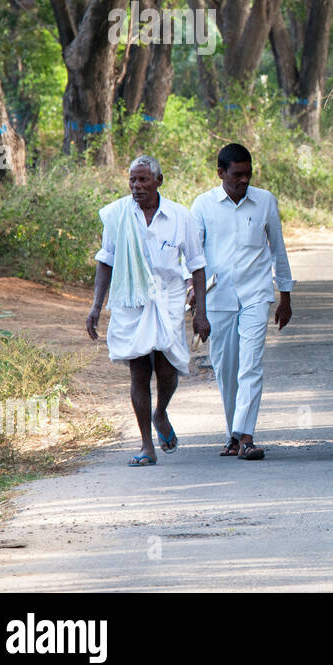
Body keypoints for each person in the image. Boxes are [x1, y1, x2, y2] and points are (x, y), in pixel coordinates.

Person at [86, 155, 210, 467]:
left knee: (167, 370)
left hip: (168, 298)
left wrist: (200, 313)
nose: (137, 186)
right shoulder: (117, 215)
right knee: (139, 370)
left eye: (143, 180)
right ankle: (146, 445)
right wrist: (95, 307)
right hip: (131, 298)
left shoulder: (181, 216)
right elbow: (106, 261)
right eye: (132, 180)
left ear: (158, 181)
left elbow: (196, 266)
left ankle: (161, 412)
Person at [191, 143, 293, 460]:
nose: (243, 180)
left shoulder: (264, 202)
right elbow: (194, 259)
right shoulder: (203, 206)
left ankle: (246, 437)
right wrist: (198, 305)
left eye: (248, 174)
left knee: (250, 366)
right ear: (221, 173)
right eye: (237, 175)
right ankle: (232, 435)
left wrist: (285, 296)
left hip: (256, 295)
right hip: (218, 298)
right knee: (226, 369)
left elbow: (278, 249)